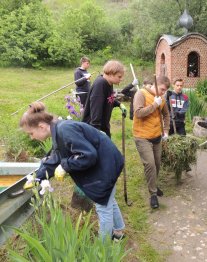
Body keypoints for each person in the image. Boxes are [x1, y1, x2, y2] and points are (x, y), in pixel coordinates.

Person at [21, 102, 125, 241]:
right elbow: (56, 157)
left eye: (31, 133)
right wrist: (37, 178)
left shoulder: (65, 129)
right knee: (108, 200)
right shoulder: (58, 130)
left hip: (106, 164)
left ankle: (103, 248)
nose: (31, 137)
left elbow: (88, 155)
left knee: (103, 205)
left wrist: (66, 166)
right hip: (106, 161)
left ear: (41, 126)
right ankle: (118, 232)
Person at [133, 76, 170, 209]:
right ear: (156, 84)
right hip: (142, 136)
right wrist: (154, 104)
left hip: (156, 136)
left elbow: (166, 115)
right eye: (162, 89)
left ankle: (153, 184)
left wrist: (165, 131)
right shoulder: (141, 94)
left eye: (165, 91)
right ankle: (153, 194)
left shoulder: (162, 99)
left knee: (157, 164)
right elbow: (138, 113)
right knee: (150, 165)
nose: (163, 92)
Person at [82, 60, 128, 138]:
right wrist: (96, 131)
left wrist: (119, 104)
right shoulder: (100, 85)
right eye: (119, 76)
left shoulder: (109, 83)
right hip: (93, 128)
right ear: (110, 74)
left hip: (104, 126)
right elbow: (96, 108)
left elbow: (109, 98)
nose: (121, 79)